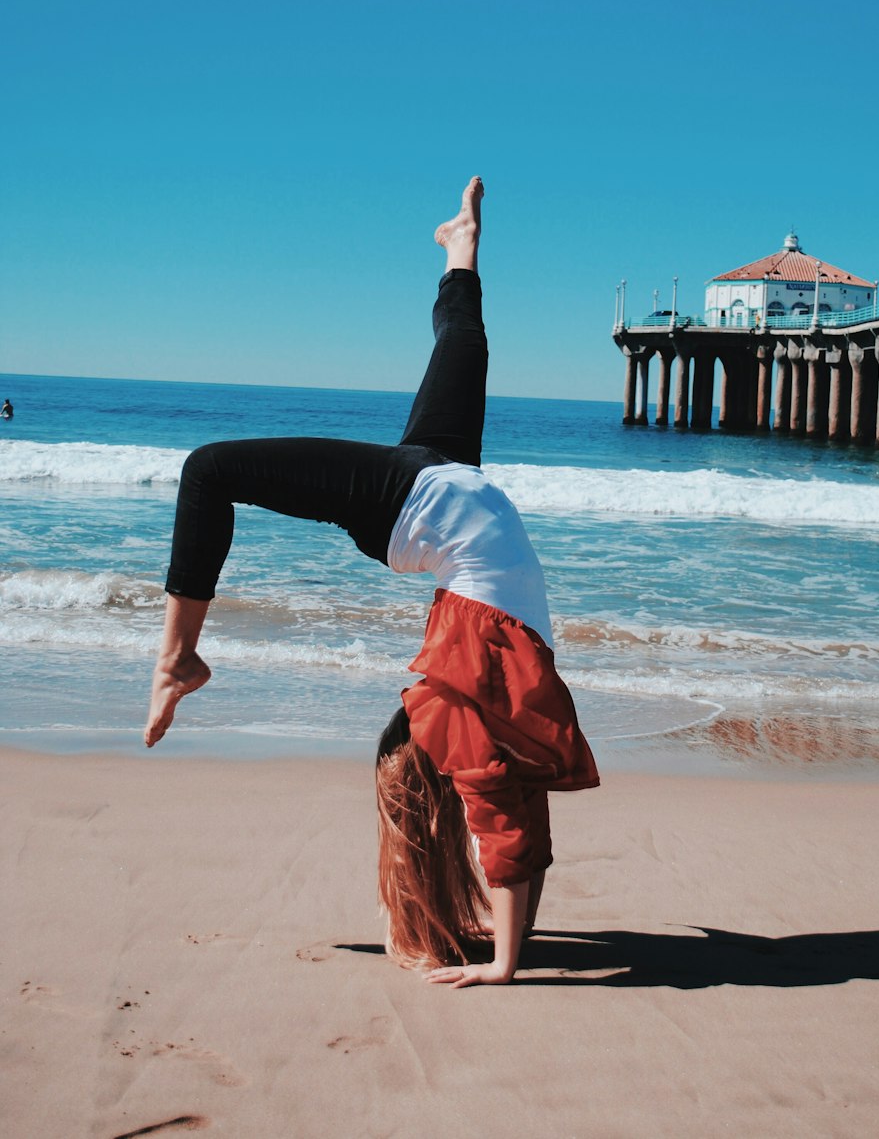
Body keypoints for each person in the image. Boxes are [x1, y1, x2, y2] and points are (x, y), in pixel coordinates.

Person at [145, 177, 598, 986]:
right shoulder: (479, 700)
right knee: (215, 468)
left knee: (213, 469)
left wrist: (504, 965)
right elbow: (508, 827)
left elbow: (511, 827)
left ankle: (179, 657)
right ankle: (460, 247)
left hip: (440, 501)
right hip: (436, 497)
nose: (409, 708)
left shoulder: (472, 699)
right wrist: (505, 962)